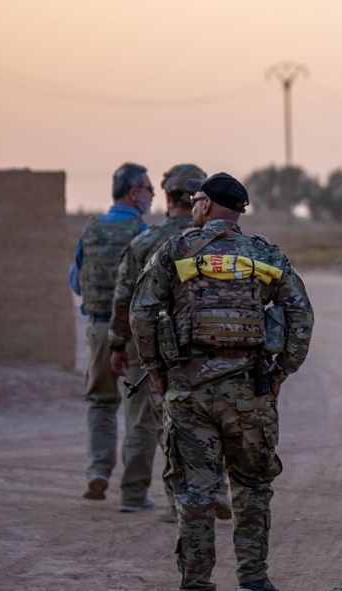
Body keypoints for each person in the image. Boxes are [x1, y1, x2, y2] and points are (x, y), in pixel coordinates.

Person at [130, 172, 314, 591]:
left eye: (196, 200)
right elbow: (300, 314)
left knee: (194, 494)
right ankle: (254, 579)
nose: (193, 206)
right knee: (252, 486)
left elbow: (141, 312)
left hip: (189, 393)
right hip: (251, 392)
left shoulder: (177, 250)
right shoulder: (265, 255)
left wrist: (156, 370)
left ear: (207, 205)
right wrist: (282, 372)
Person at [108, 164, 231, 522]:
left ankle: (179, 502)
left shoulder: (145, 242)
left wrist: (119, 344)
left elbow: (125, 302)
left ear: (166, 196)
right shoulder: (222, 240)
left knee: (171, 424)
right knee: (217, 417)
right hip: (216, 344)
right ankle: (217, 487)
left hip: (165, 350)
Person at [69, 162, 156, 511]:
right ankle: (133, 494)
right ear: (134, 193)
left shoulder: (89, 231)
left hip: (100, 328)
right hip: (136, 334)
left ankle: (98, 472)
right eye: (149, 189)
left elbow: (76, 282)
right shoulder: (145, 234)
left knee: (100, 404)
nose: (152, 195)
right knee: (140, 413)